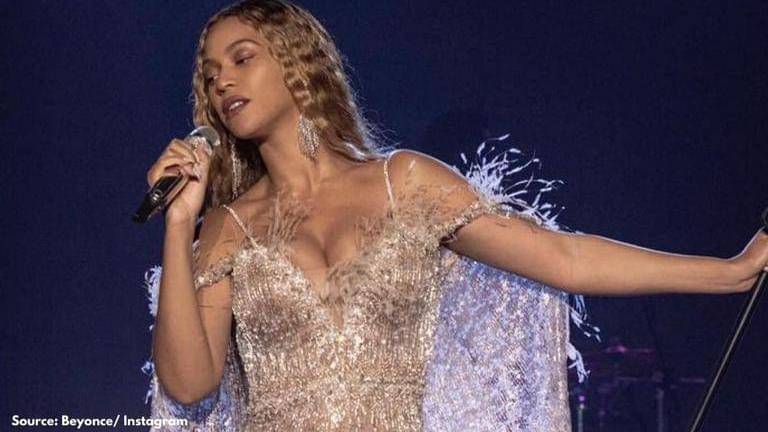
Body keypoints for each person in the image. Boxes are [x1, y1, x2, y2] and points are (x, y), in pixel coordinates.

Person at [140, 1, 768, 430]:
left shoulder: (404, 183)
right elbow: (189, 385)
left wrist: (732, 272)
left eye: (241, 58)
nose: (223, 82)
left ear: (294, 62)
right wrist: (179, 223)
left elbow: (566, 258)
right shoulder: (228, 227)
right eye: (211, 75)